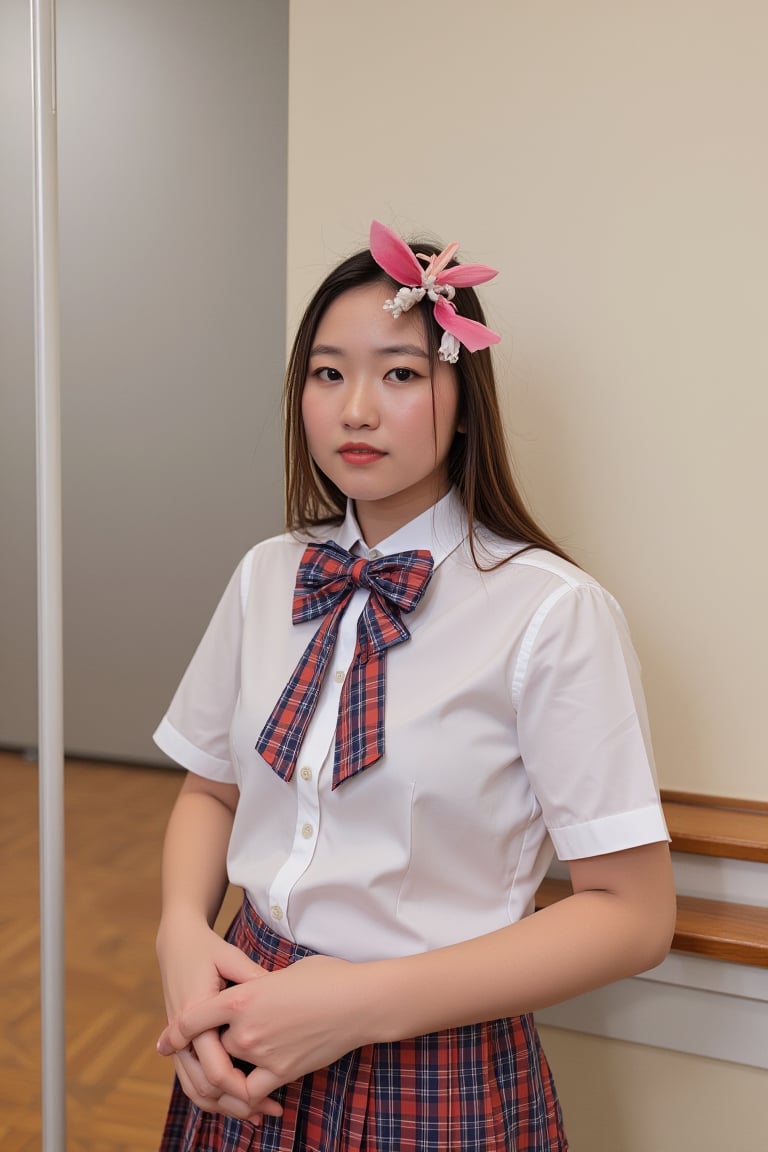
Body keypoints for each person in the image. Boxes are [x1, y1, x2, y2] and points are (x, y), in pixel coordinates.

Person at [153, 220, 676, 1152]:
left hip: (435, 1062)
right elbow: (210, 787)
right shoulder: (268, 574)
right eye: (327, 373)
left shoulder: (552, 612)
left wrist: (358, 1005)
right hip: (243, 1018)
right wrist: (180, 941)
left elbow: (633, 917)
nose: (356, 409)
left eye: (400, 373)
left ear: (463, 399)